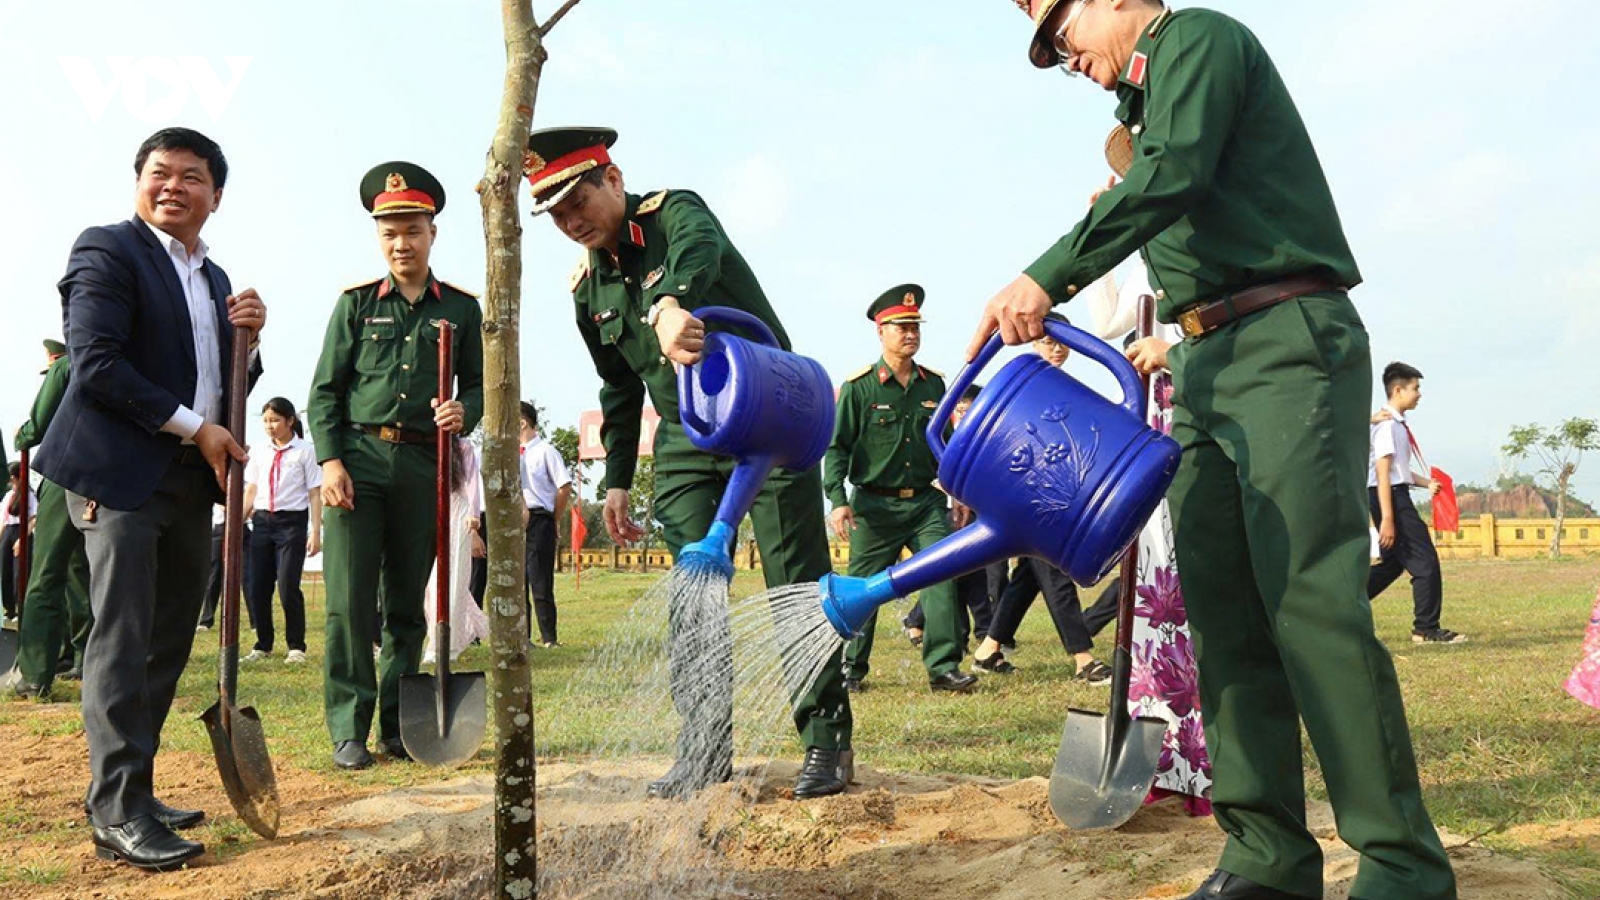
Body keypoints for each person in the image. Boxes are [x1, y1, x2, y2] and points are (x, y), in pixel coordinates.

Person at [977, 6, 1455, 899]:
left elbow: (1175, 174)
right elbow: (1164, 189)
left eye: (1061, 26)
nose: (1061, 56)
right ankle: (1267, 853)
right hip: (1200, 362)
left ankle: (1400, 864)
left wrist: (1049, 271)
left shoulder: (1196, 39)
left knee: (1313, 605)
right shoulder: (1142, 121)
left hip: (1284, 338)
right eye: (1044, 47)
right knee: (1223, 616)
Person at [527, 126, 852, 799]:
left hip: (766, 409)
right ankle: (704, 752)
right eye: (556, 216)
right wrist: (617, 480)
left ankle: (826, 743)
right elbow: (618, 389)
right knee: (694, 595)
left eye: (578, 201)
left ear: (612, 181)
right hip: (682, 436)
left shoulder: (676, 213)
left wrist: (670, 303)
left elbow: (700, 252)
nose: (571, 221)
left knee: (794, 578)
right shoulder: (589, 292)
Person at [33, 127, 267, 872]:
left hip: (186, 480)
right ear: (138, 182)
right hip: (117, 474)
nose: (173, 185)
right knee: (122, 639)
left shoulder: (215, 277)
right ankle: (116, 811)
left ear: (216, 196)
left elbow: (219, 388)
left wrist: (250, 347)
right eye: (159, 172)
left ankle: (132, 788)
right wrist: (201, 428)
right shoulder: (107, 250)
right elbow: (96, 365)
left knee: (167, 641)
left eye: (191, 176)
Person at [307, 161, 483, 771]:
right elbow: (325, 392)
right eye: (389, 234)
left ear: (432, 232)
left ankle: (396, 727)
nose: (401, 244)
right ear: (378, 240)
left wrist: (466, 411)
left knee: (408, 604)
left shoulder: (461, 310)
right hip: (356, 462)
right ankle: (348, 729)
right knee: (350, 602)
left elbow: (483, 388)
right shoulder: (355, 305)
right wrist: (329, 462)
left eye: (411, 230)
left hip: (421, 466)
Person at [824, 285, 975, 695]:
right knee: (862, 588)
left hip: (925, 503)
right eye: (901, 327)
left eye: (915, 326)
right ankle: (851, 669)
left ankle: (943, 668)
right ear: (881, 332)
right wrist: (837, 502)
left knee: (941, 574)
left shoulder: (933, 386)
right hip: (874, 506)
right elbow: (836, 449)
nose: (910, 333)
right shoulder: (859, 388)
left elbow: (947, 447)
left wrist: (958, 492)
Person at [971, 315, 1111, 684]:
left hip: (1061, 495)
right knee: (1056, 573)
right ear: (1035, 343)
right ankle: (1083, 659)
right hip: (1032, 497)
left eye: (1062, 343)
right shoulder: (1025, 385)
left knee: (1029, 578)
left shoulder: (1071, 387)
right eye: (1049, 342)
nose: (1057, 349)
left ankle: (988, 649)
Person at [7, 338, 93, 697]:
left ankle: (34, 673)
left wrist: (21, 436)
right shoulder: (134, 353)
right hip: (117, 476)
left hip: (69, 471)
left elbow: (38, 425)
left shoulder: (68, 363)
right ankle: (88, 660)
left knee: (45, 575)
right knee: (88, 576)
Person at [1367, 363, 1464, 645]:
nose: (1419, 394)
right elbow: (1383, 474)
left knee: (1393, 563)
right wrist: (1387, 519)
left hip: (1394, 493)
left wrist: (1426, 484)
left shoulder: (1394, 425)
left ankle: (1342, 606)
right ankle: (1426, 628)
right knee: (1425, 563)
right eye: (1415, 388)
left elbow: (1400, 471)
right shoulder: (1386, 427)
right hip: (1391, 499)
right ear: (1398, 390)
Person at [240, 398, 322, 663]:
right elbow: (251, 489)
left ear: (290, 421)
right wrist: (238, 521)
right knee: (258, 586)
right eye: (265, 421)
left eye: (275, 420)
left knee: (287, 585)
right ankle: (263, 644)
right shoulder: (259, 452)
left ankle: (296, 646)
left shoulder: (305, 451)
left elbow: (314, 492)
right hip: (262, 523)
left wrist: (316, 532)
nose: (270, 426)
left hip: (292, 525)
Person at [423, 437, 491, 663]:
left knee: (450, 579)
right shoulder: (420, 442)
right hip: (427, 508)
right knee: (428, 584)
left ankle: (445, 644)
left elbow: (471, 482)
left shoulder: (463, 447)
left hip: (457, 512)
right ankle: (440, 636)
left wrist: (473, 515)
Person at [519, 401, 572, 647]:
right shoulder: (509, 454)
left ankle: (549, 637)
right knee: (517, 580)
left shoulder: (545, 451)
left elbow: (564, 486)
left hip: (539, 517)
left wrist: (555, 518)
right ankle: (522, 637)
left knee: (540, 580)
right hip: (514, 521)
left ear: (522, 422)